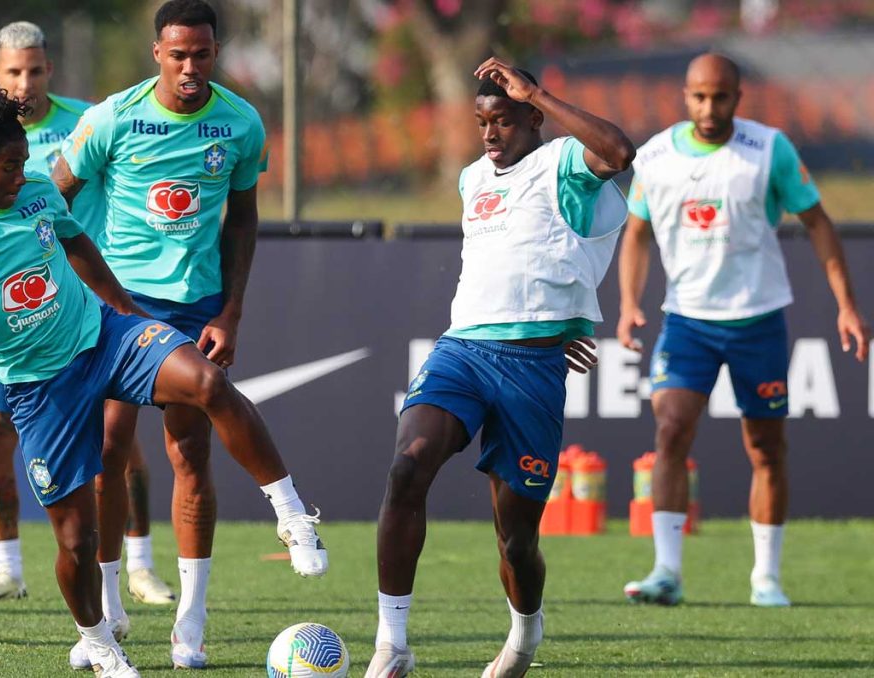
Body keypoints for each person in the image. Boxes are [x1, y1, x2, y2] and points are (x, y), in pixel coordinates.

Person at [0, 87, 325, 677]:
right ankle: (98, 641)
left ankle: (291, 514)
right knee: (76, 541)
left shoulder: (36, 191)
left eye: (23, 162)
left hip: (102, 337)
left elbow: (77, 243)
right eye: (9, 166)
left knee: (208, 383)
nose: (22, 176)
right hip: (40, 389)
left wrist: (126, 311)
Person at [51, 0, 327, 669]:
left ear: (215, 52)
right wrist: (71, 282)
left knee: (188, 452)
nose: (189, 67)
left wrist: (230, 312)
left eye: (201, 54)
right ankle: (107, 613)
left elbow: (243, 218)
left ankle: (191, 620)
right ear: (157, 53)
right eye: (177, 55)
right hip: (118, 306)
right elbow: (53, 198)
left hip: (194, 307)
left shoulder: (240, 122)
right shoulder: (112, 117)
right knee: (109, 449)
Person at [363, 58, 634, 678]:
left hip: (533, 368)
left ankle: (524, 634)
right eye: (482, 121)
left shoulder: (562, 160)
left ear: (533, 118)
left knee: (515, 539)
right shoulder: (471, 179)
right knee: (407, 468)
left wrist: (537, 91)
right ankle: (392, 644)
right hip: (462, 351)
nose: (489, 133)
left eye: (505, 120)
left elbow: (620, 152)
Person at [618, 53, 870, 608]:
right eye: (699, 97)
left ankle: (766, 578)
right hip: (687, 322)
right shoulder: (655, 156)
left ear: (738, 96)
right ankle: (666, 571)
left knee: (765, 447)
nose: (709, 108)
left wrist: (847, 306)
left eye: (720, 97)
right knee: (670, 430)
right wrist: (629, 303)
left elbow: (817, 222)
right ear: (685, 96)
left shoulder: (768, 149)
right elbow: (635, 233)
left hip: (758, 321)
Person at [0, 21, 175, 607]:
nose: (25, 82)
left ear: (49, 69)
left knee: (117, 440)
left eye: (35, 70)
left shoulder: (85, 123)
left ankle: (141, 563)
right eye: (13, 72)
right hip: (12, 314)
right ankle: (7, 569)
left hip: (80, 305)